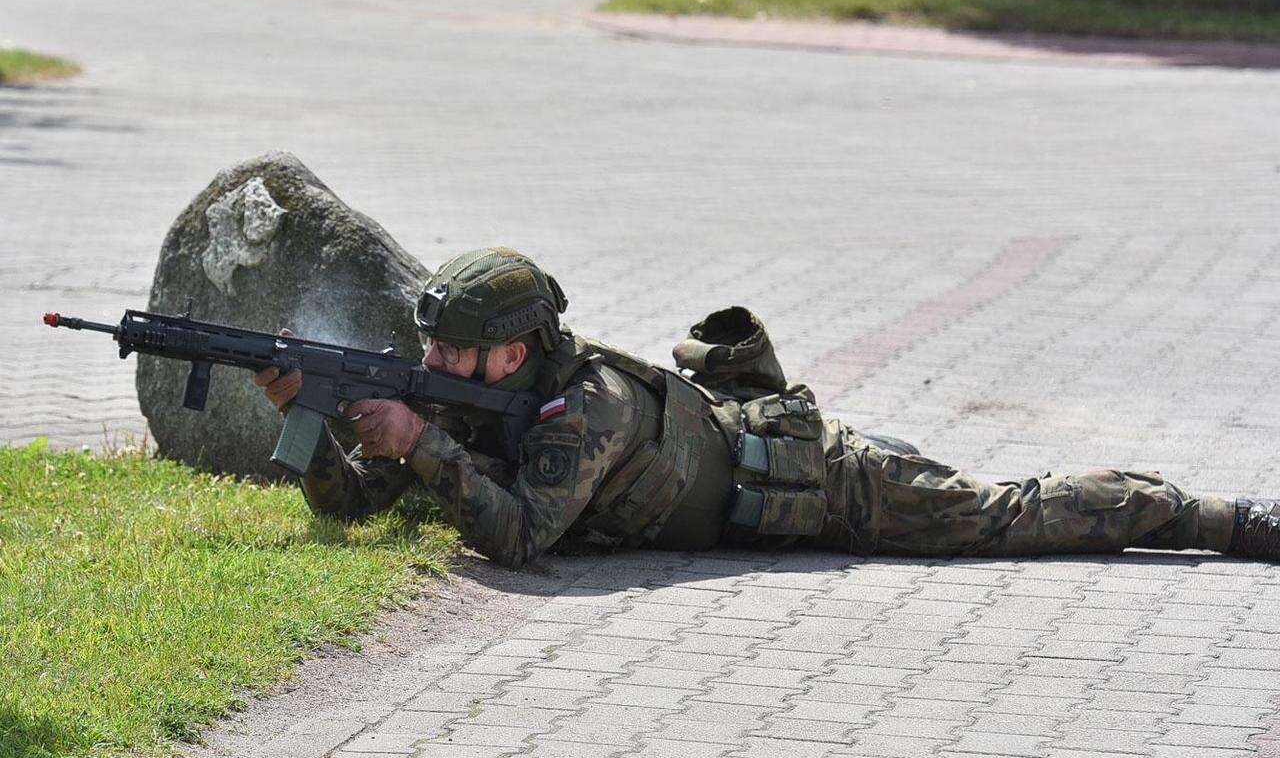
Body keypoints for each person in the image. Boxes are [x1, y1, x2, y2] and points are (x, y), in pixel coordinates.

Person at [253, 247, 1280, 570]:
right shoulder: (483, 398)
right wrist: (308, 420)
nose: (427, 359)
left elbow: (518, 539)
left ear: (512, 351)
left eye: (449, 347)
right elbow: (355, 509)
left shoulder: (585, 408)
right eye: (427, 345)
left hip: (825, 486)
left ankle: (1212, 518)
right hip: (736, 464)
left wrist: (422, 439)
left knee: (1005, 518)